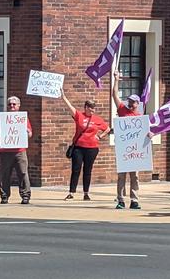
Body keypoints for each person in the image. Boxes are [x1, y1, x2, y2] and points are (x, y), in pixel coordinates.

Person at [61, 93, 110, 201]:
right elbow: (70, 108)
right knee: (76, 169)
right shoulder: (79, 116)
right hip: (78, 147)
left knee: (88, 170)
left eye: (94, 108)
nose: (93, 110)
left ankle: (86, 193)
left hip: (92, 148)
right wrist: (63, 97)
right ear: (86, 107)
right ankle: (71, 193)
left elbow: (107, 129)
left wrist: (100, 136)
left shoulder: (97, 119)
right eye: (91, 108)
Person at [112, 70, 143, 209]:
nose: (130, 103)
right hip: (123, 149)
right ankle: (120, 200)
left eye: (132, 101)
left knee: (135, 176)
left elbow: (145, 133)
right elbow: (114, 95)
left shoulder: (140, 117)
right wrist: (117, 80)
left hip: (135, 151)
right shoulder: (122, 110)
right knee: (121, 176)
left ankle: (134, 200)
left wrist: (149, 135)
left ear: (137, 103)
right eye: (129, 101)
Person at [0, 96, 33, 204]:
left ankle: (25, 196)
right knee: (5, 174)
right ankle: (4, 196)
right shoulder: (2, 118)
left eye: (14, 104)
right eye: (10, 104)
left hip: (20, 151)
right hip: (5, 152)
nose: (11, 106)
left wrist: (26, 132)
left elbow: (30, 133)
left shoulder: (23, 118)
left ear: (18, 106)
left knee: (23, 173)